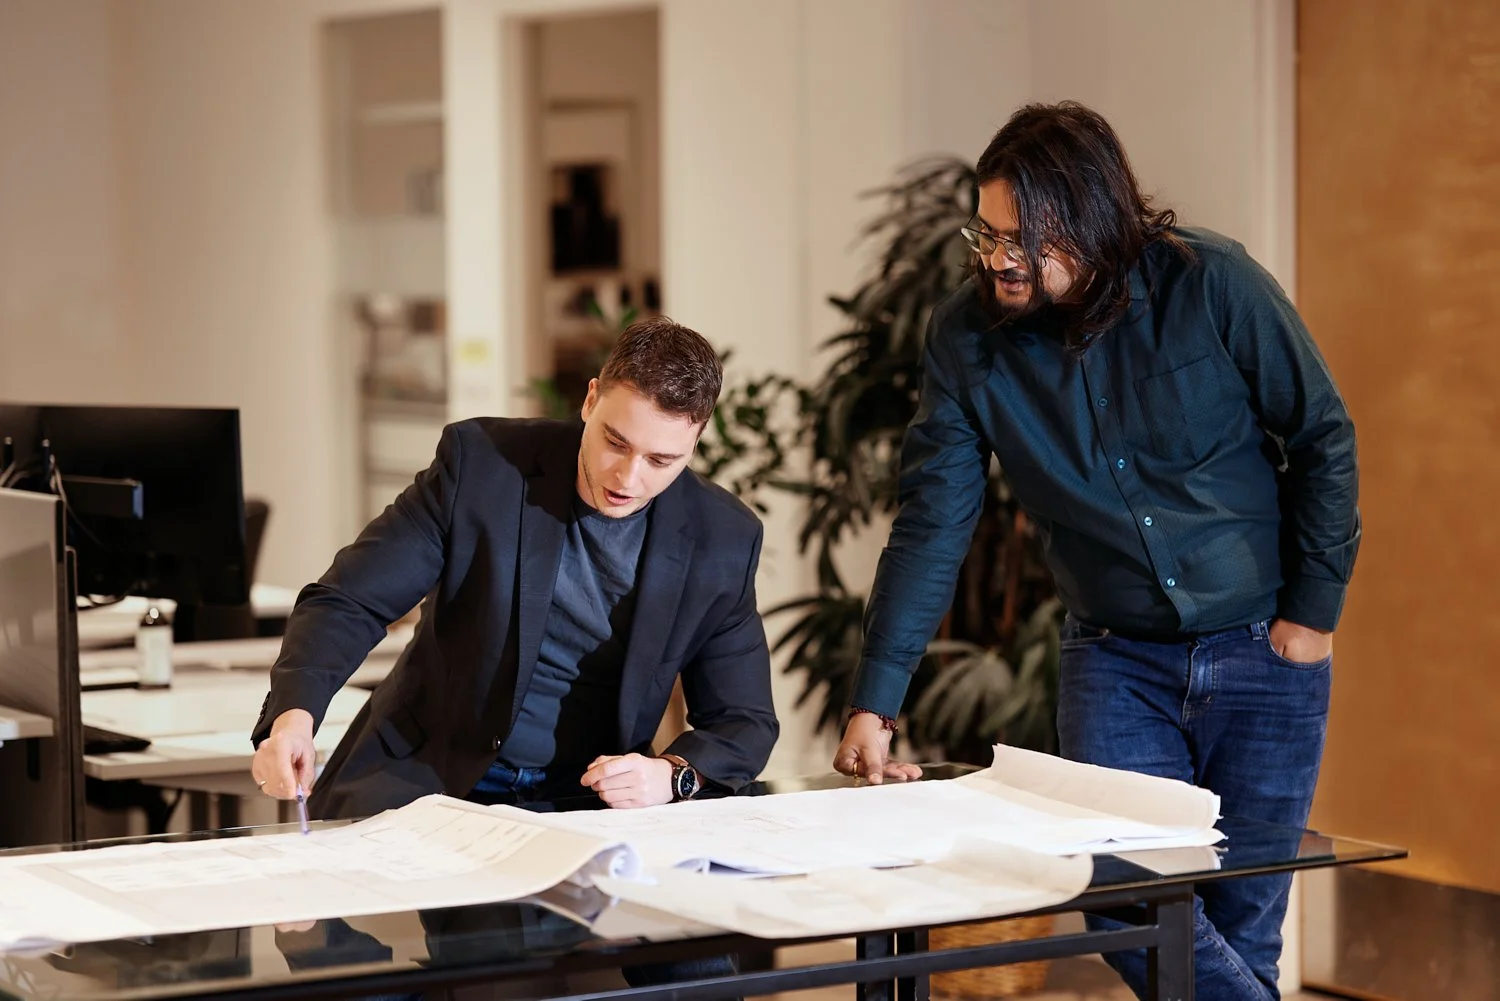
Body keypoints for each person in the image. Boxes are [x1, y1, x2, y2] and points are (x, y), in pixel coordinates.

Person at [834, 102, 1360, 1001]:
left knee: (1241, 922)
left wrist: (1310, 615)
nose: (997, 257)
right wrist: (877, 701)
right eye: (988, 231)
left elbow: (1321, 435)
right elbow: (933, 522)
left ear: (1093, 223)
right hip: (1115, 662)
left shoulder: (1213, 282)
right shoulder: (966, 340)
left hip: (1264, 652)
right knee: (1125, 907)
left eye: (1023, 239)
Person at [250, 316, 778, 820]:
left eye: (661, 460)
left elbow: (743, 719)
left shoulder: (722, 538)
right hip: (421, 772)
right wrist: (295, 716)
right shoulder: (483, 465)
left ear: (695, 441)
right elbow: (352, 600)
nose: (628, 477)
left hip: (582, 804)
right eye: (615, 442)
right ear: (590, 400)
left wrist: (671, 774)